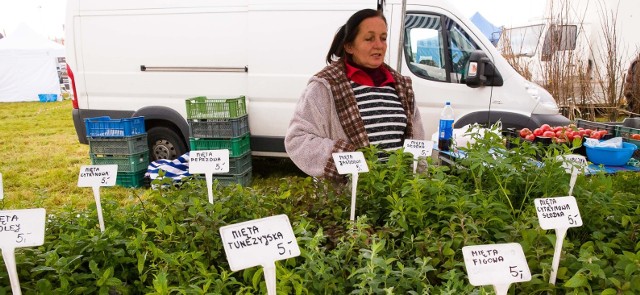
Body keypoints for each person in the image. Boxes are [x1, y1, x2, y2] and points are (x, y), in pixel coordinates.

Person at [285, 8, 425, 182]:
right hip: (348, 199)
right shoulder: (327, 86)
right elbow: (297, 139)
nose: (379, 45)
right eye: (369, 38)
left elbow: (416, 140)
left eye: (383, 38)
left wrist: (419, 182)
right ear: (349, 46)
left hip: (397, 201)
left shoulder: (401, 86)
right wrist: (345, 156)